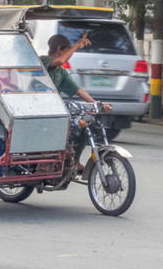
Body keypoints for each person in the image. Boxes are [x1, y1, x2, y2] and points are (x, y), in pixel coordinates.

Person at [40, 32, 112, 170]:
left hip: (54, 109)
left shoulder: (61, 72)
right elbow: (60, 60)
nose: (69, 58)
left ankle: (74, 161)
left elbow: (80, 92)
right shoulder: (43, 60)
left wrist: (97, 105)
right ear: (59, 49)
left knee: (84, 124)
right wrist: (77, 46)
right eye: (68, 52)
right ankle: (44, 162)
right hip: (40, 108)